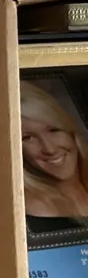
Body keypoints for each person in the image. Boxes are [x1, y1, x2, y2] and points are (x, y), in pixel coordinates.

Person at [20, 81, 88, 220]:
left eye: (54, 130)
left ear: (71, 132)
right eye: (28, 138)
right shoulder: (36, 207)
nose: (49, 149)